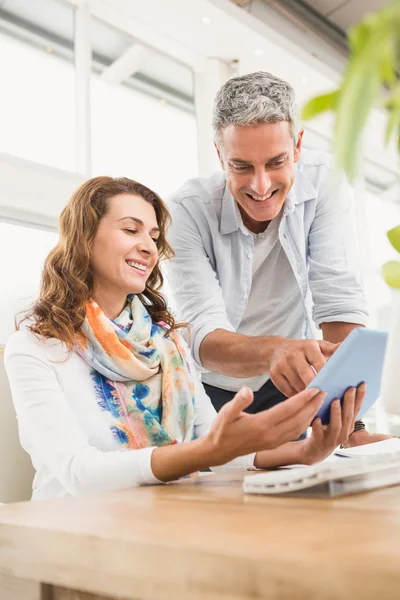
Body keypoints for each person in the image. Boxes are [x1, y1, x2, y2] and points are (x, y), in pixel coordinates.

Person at [4, 176, 364, 500]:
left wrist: (302, 452)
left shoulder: (169, 343)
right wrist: (207, 452)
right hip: (69, 537)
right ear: (84, 238)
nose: (149, 247)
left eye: (154, 237)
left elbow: (211, 439)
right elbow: (78, 474)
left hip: (167, 523)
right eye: (131, 230)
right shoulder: (35, 347)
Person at [165, 71, 388, 447]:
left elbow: (338, 300)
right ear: (219, 154)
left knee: (292, 488)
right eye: (241, 166)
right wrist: (273, 351)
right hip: (213, 388)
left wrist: (351, 428)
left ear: (298, 147)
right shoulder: (186, 211)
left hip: (289, 380)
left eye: (275, 162)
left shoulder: (324, 183)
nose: (261, 185)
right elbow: (201, 335)